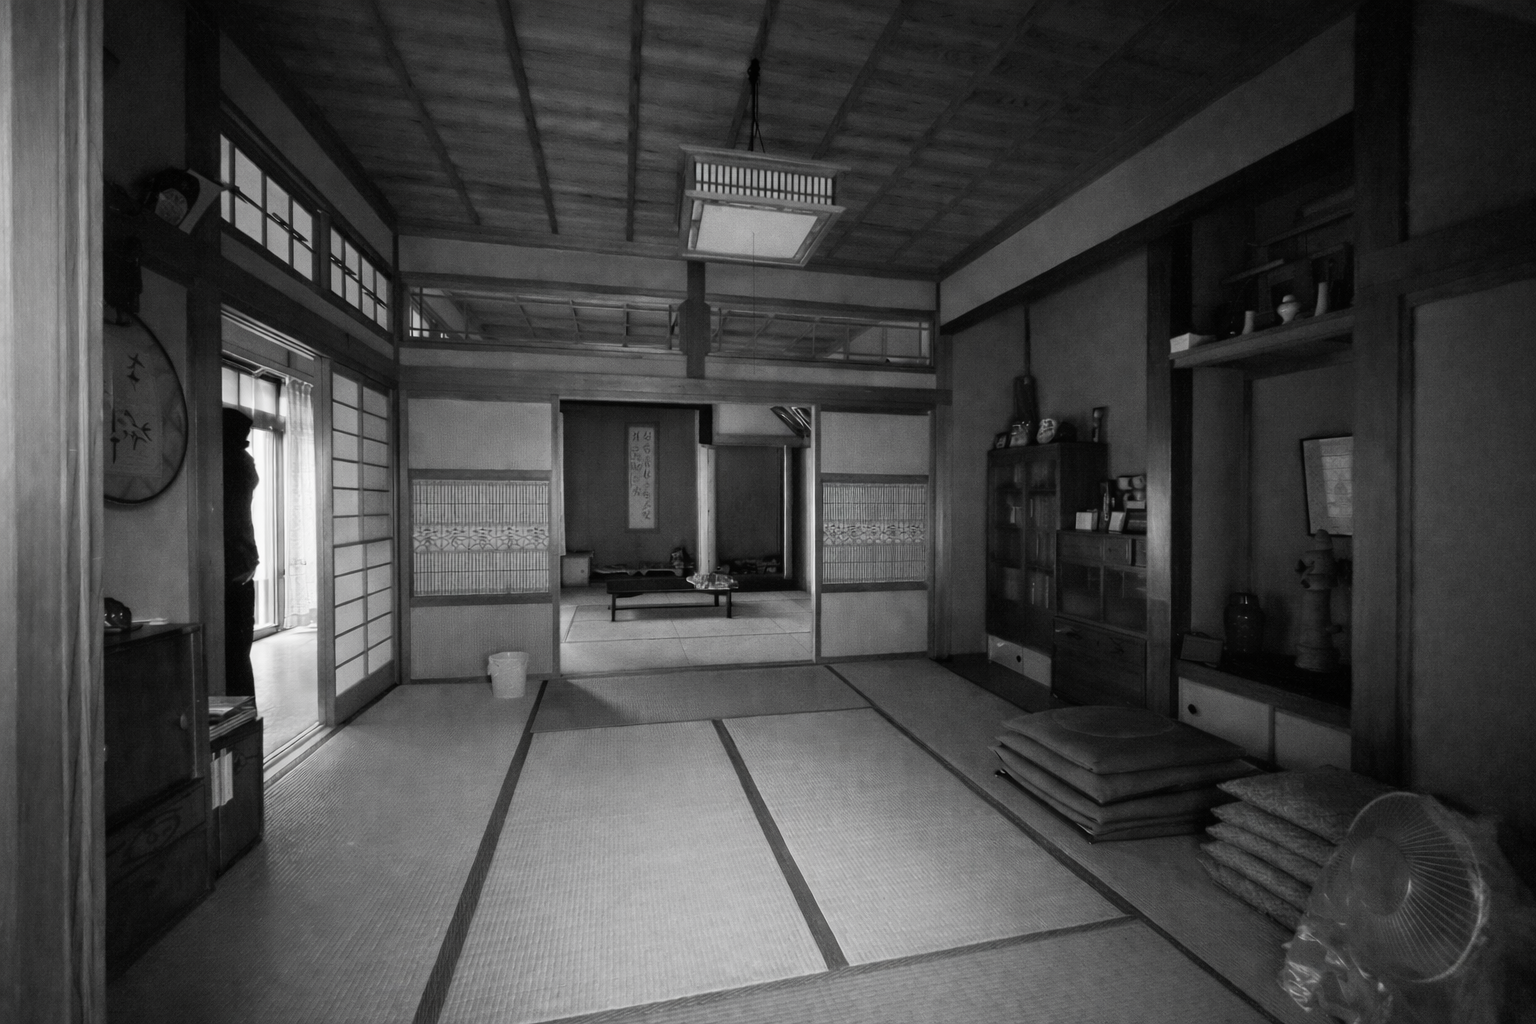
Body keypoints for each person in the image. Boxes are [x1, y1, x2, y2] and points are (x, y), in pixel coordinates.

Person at [223, 408, 259, 697]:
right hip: (242, 561)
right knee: (237, 654)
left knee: (231, 657)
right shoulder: (243, 461)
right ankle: (244, 719)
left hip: (232, 564)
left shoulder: (230, 461)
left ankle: (239, 720)